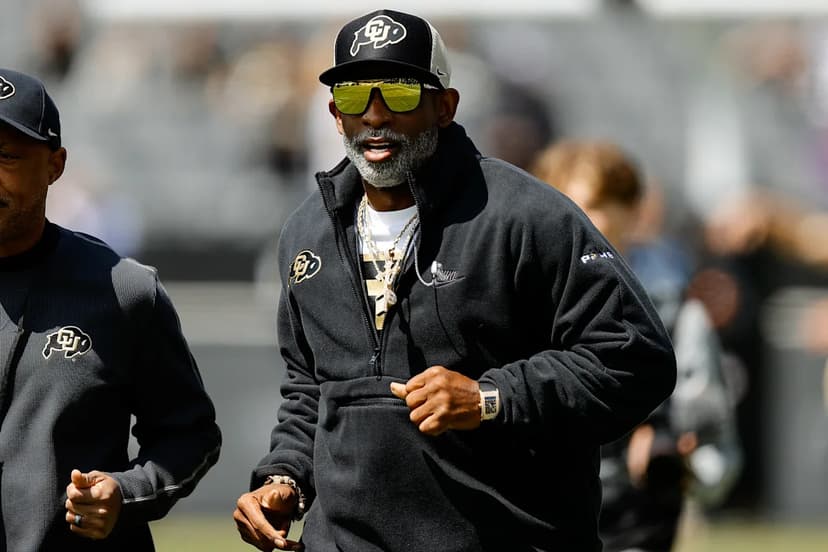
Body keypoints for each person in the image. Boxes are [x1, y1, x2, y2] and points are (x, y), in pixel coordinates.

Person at [233, 10, 676, 552]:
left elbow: (635, 357)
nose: (374, 114)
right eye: (353, 95)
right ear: (334, 113)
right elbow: (311, 388)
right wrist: (285, 477)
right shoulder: (307, 232)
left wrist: (490, 397)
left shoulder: (527, 216)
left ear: (445, 106)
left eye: (398, 93)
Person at [0, 68, 221, 550]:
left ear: (55, 165)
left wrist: (126, 492)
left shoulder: (122, 289)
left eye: (7, 156)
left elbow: (191, 435)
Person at [532, 140, 742, 552]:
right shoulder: (518, 311)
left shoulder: (675, 317)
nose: (576, 218)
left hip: (635, 531)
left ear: (630, 211)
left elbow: (717, 455)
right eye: (561, 203)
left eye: (594, 203)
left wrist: (679, 457)